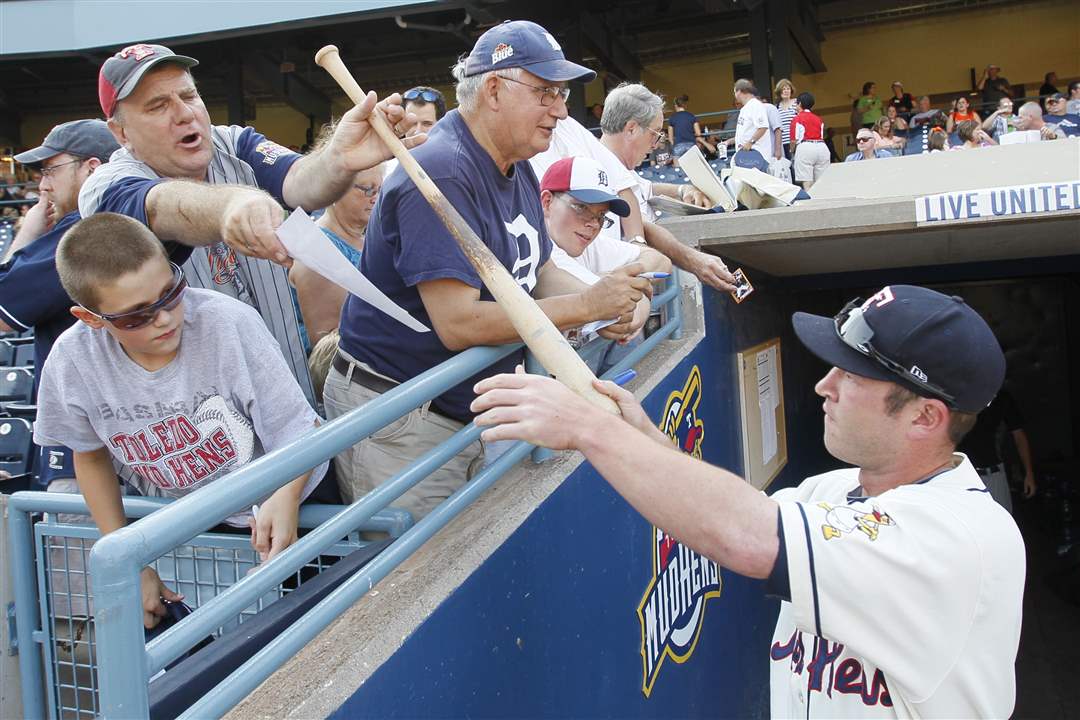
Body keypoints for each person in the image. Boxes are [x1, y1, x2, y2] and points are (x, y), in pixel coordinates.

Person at [472, 284, 1024, 718]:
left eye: (851, 375)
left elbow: (752, 538)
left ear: (925, 416)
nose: (823, 386)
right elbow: (737, 514)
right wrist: (644, 438)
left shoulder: (961, 537)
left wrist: (590, 429)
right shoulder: (834, 489)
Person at [326, 20, 652, 519]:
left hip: (466, 409)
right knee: (422, 580)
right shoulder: (442, 170)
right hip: (400, 415)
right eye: (546, 92)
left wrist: (599, 306)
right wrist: (583, 306)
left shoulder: (515, 161)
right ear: (495, 89)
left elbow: (538, 269)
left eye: (561, 93)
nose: (562, 110)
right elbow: (458, 324)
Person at [78, 43, 420, 406]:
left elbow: (300, 181)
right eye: (158, 106)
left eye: (189, 95)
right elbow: (160, 206)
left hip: (289, 396)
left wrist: (339, 158)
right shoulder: (107, 184)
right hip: (206, 428)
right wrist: (231, 205)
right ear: (121, 133)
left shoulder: (232, 142)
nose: (184, 114)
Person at [34, 213, 327, 628]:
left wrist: (287, 495)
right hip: (201, 522)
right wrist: (129, 559)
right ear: (91, 318)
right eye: (136, 316)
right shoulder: (72, 361)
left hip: (299, 493)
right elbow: (89, 455)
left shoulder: (226, 322)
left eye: (170, 293)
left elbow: (301, 429)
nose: (166, 318)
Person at [0, 120, 120, 490]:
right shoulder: (127, 222)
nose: (43, 184)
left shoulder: (81, 233)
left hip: (86, 455)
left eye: (52, 169)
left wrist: (28, 231)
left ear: (92, 168)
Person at [529, 83, 737, 292]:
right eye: (655, 134)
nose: (656, 144)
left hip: (615, 293)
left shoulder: (620, 170)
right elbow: (646, 228)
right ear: (631, 129)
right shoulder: (584, 170)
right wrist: (690, 259)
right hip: (582, 291)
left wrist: (683, 190)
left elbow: (644, 187)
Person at [538, 156, 669, 372]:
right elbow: (621, 313)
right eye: (580, 207)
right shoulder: (542, 245)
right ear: (547, 202)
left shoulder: (587, 242)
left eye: (601, 216)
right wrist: (639, 293)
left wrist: (614, 279)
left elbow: (660, 260)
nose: (592, 224)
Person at [289, 122, 385, 353]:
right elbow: (330, 351)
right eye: (367, 189)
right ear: (332, 190)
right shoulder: (318, 252)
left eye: (380, 189)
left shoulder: (366, 239)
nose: (376, 198)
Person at [957, 389, 1034, 514]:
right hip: (962, 473)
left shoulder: (1002, 397)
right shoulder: (959, 391)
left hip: (994, 472)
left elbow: (1019, 435)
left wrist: (1029, 473)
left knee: (1002, 522)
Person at [788, 92, 829, 189]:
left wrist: (792, 151)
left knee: (807, 181)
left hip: (805, 147)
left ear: (800, 104)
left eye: (796, 104)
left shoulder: (797, 119)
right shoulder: (819, 119)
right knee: (821, 181)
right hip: (822, 147)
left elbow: (793, 140)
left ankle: (810, 203)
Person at [733, 79, 772, 162]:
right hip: (747, 156)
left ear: (739, 91)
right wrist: (728, 142)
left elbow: (763, 127)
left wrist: (750, 143)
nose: (735, 95)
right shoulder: (745, 108)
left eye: (735, 92)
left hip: (756, 156)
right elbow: (746, 132)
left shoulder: (755, 105)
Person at [774, 79, 798, 160]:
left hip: (796, 142)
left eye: (788, 89)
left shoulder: (796, 103)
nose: (786, 91)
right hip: (783, 143)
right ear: (779, 92)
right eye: (783, 89)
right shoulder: (777, 107)